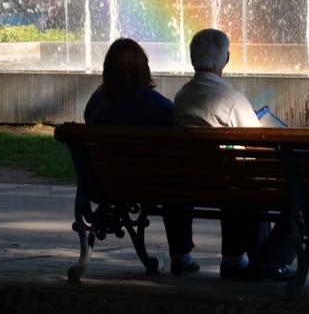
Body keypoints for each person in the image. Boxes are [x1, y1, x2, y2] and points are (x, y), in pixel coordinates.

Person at [173, 28, 296, 281]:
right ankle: (258, 260)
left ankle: (233, 260)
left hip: (189, 182)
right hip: (228, 185)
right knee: (249, 184)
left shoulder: (182, 96)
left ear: (192, 57)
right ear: (226, 59)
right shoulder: (231, 99)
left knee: (234, 181)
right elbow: (257, 146)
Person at [83, 38, 199, 276]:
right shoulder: (152, 103)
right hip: (151, 186)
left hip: (104, 185)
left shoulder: (96, 102)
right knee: (177, 181)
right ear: (142, 68)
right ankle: (181, 256)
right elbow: (179, 129)